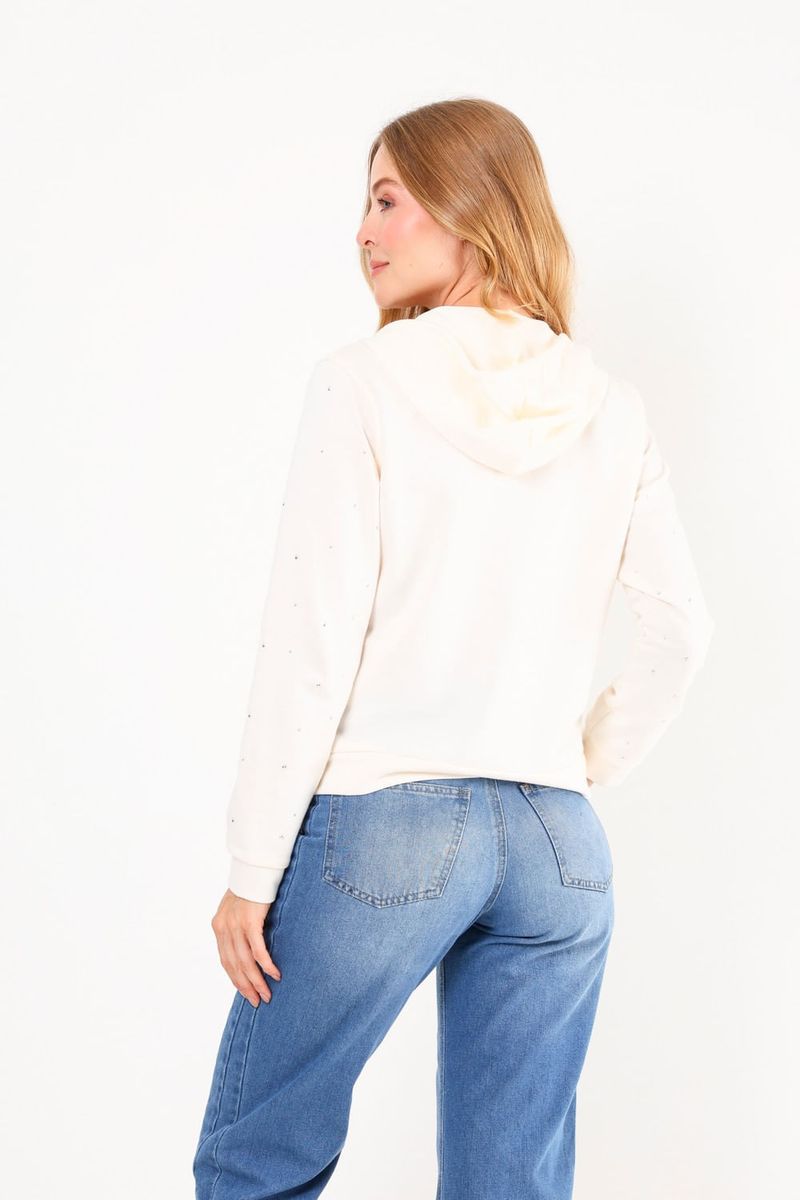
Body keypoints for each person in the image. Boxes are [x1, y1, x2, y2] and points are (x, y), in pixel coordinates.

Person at [193, 98, 714, 1200]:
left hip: (386, 824)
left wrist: (250, 870)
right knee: (510, 1185)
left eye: (388, 200)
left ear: (470, 209)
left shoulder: (362, 380)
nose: (363, 230)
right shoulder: (610, 407)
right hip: (558, 848)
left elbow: (310, 641)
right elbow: (681, 628)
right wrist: (574, 765)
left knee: (252, 1164)